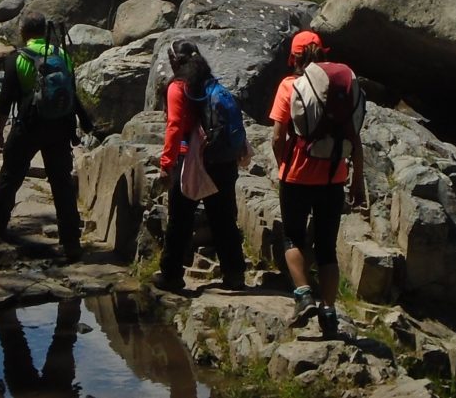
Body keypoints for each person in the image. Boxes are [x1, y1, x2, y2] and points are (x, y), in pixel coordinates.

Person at [269, 29, 365, 338]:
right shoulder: (339, 87)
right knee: (327, 249)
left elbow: (277, 136)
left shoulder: (289, 86)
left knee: (293, 239)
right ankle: (329, 311)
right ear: (323, 53)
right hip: (334, 176)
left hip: (296, 175)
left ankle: (303, 295)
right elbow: (355, 138)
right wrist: (357, 180)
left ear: (294, 57)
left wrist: (283, 163)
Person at [0, 11, 94, 261]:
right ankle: (71, 243)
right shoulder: (62, 55)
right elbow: (71, 92)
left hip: (29, 126)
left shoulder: (17, 59)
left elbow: (5, 101)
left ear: (24, 32)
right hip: (60, 127)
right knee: (61, 184)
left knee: (11, 174)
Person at [155, 39, 248, 292]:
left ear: (176, 60)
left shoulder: (178, 87)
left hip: (192, 162)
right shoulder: (210, 83)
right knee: (224, 219)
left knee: (180, 219)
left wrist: (166, 163)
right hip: (222, 161)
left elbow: (174, 127)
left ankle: (171, 275)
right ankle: (235, 274)